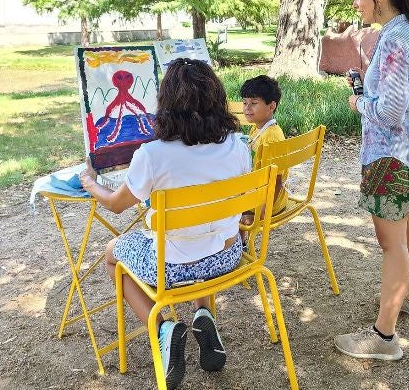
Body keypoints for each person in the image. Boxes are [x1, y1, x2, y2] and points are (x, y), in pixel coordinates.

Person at [79, 58, 251, 389]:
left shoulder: (153, 154)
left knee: (112, 255)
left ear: (167, 102)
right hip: (227, 257)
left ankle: (162, 328)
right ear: (216, 98)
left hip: (171, 269)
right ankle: (203, 314)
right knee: (203, 232)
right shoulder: (236, 146)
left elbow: (115, 205)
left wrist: (89, 182)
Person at [334, 0, 409, 361]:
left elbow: (391, 112)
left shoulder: (395, 39)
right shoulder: (406, 33)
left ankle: (384, 336)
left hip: (391, 157)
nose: (356, 4)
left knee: (391, 245)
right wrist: (370, 86)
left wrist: (359, 102)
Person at [238, 75, 288, 235]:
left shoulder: (271, 137)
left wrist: (262, 213)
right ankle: (241, 242)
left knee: (225, 201)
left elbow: (276, 180)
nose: (247, 108)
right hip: (259, 192)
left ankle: (240, 243)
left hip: (269, 201)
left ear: (271, 106)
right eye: (244, 103)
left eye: (253, 103)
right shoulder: (257, 127)